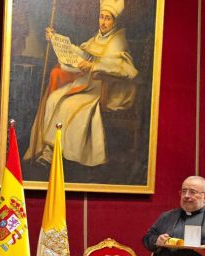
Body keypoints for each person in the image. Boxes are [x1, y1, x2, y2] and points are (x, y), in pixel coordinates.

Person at [24, 0, 138, 168]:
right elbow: (84, 54)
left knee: (69, 105)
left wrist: (94, 66)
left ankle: (65, 154)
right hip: (89, 84)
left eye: (107, 18)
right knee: (54, 98)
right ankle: (49, 150)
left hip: (109, 90)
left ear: (114, 21)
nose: (103, 22)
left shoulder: (118, 40)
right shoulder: (99, 37)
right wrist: (56, 39)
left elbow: (123, 68)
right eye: (101, 17)